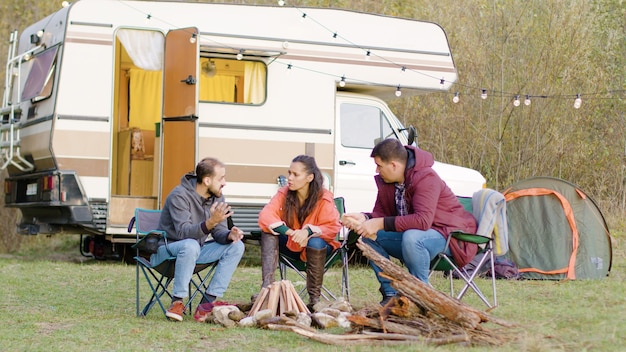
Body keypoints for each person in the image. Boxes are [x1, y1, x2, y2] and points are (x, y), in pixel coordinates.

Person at [342, 139, 477, 305]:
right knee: (367, 237)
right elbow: (381, 215)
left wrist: (378, 223)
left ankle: (421, 295)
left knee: (413, 237)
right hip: (414, 236)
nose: (377, 170)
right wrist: (365, 218)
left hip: (449, 235)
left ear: (393, 165)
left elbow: (422, 221)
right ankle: (390, 295)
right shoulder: (389, 182)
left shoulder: (426, 177)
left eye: (379, 165)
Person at [154, 157, 245, 322]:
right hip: (167, 251)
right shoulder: (179, 195)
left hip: (195, 251)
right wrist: (211, 222)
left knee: (236, 246)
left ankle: (207, 304)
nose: (224, 183)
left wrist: (229, 235)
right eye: (221, 178)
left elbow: (218, 231)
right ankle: (177, 302)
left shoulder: (218, 197)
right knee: (190, 245)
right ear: (207, 180)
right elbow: (183, 232)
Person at [258, 155, 342, 308]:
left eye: (295, 174)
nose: (289, 178)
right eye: (289, 173)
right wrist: (291, 232)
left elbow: (333, 227)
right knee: (268, 233)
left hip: (319, 248)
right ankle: (267, 291)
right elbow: (265, 216)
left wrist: (308, 231)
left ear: (310, 177)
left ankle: (314, 300)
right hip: (293, 243)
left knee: (315, 241)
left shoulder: (323, 198)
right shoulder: (284, 193)